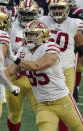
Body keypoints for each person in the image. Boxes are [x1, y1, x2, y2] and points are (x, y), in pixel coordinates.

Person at [8, 20, 83, 131]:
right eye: (27, 34)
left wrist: (16, 59)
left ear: (42, 35)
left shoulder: (50, 47)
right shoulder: (22, 51)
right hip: (43, 105)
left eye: (33, 34)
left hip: (63, 100)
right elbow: (9, 71)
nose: (29, 37)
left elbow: (37, 66)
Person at [39, 0, 83, 130]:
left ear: (67, 9)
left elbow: (80, 47)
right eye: (54, 8)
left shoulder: (74, 23)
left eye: (60, 8)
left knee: (66, 104)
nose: (57, 11)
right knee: (48, 103)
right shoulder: (42, 21)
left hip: (66, 69)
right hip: (47, 69)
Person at [6, 0, 40, 131]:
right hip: (14, 77)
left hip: (34, 76)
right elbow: (0, 51)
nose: (26, 17)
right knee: (15, 114)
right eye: (23, 14)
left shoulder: (41, 27)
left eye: (29, 14)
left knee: (42, 111)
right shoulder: (10, 27)